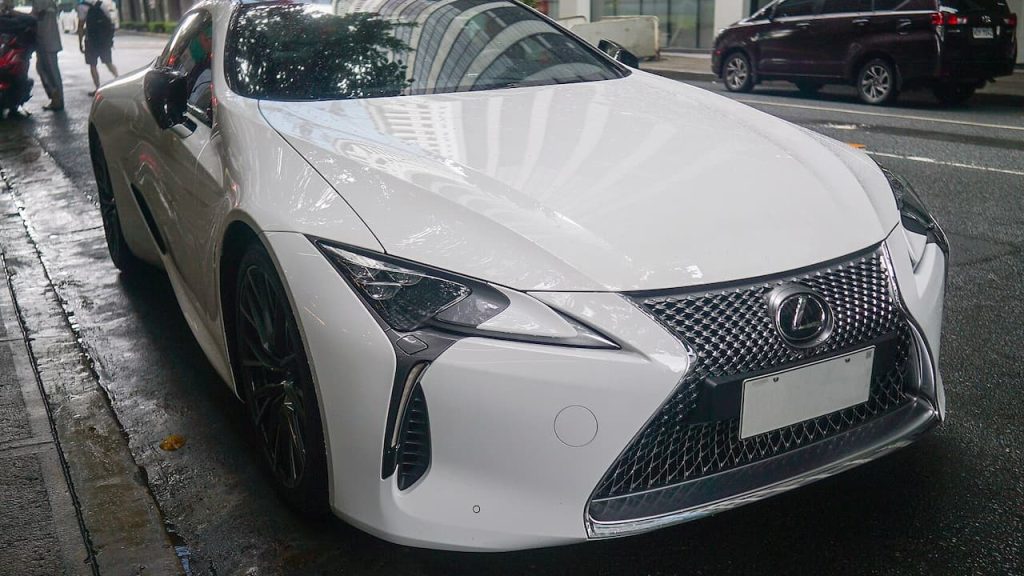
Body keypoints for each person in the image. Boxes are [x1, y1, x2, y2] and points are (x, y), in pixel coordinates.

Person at [0, 0, 36, 118]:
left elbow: (31, 21)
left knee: (19, 72)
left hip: (14, 54)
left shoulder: (17, 20)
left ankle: (15, 104)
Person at [77, 0, 116, 96]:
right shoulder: (102, 4)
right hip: (103, 41)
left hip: (90, 41)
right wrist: (109, 39)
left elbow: (81, 26)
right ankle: (119, 80)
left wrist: (80, 43)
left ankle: (98, 88)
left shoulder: (82, 6)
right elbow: (109, 22)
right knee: (108, 62)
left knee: (93, 65)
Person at [30, 0, 62, 110]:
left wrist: (15, 14)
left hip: (47, 41)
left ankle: (57, 99)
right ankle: (55, 98)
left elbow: (34, 16)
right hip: (46, 40)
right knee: (43, 69)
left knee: (51, 71)